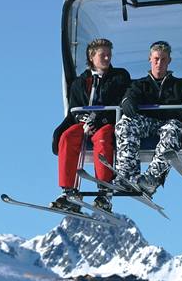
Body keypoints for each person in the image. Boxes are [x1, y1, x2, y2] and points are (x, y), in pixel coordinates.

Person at [50, 38, 131, 213]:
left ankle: (104, 191)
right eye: (103, 55)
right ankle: (68, 190)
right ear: (92, 57)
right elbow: (74, 107)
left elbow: (118, 101)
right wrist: (84, 121)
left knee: (102, 138)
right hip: (84, 123)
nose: (107, 58)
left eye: (109, 54)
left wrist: (98, 120)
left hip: (107, 122)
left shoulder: (119, 77)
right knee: (67, 136)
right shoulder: (80, 82)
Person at [114, 41, 182, 197]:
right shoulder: (141, 84)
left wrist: (177, 115)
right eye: (156, 59)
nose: (159, 63)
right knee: (124, 124)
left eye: (163, 59)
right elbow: (130, 95)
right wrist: (127, 101)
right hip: (147, 122)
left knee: (173, 129)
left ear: (169, 61)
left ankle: (151, 178)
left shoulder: (179, 86)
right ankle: (127, 173)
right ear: (150, 59)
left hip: (169, 122)